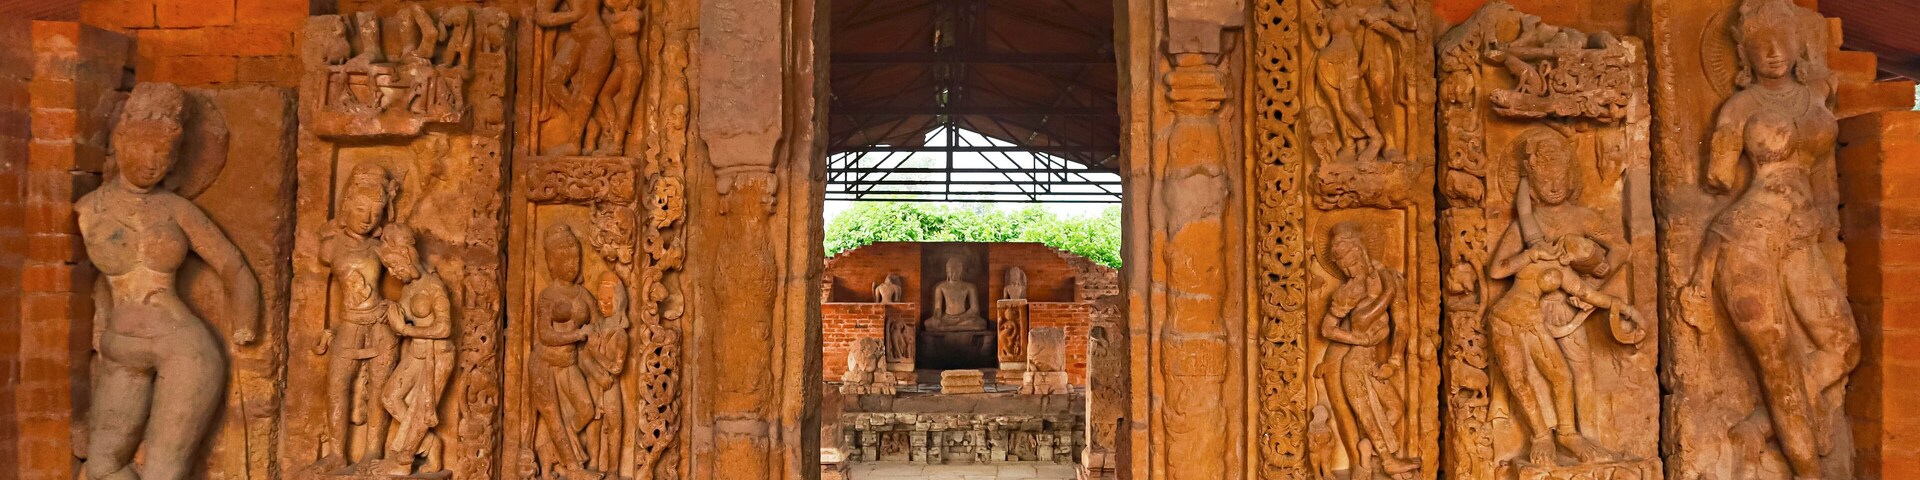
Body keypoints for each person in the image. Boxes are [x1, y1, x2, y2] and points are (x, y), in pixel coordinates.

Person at [77, 82, 262, 480]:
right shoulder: (88, 209)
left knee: (165, 470)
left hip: (184, 350)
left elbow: (234, 268)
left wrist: (247, 328)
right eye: (145, 147)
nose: (153, 162)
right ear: (121, 141)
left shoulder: (176, 210)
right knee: (102, 469)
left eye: (166, 153)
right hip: (122, 350)